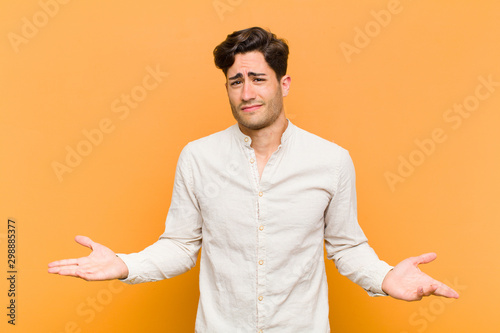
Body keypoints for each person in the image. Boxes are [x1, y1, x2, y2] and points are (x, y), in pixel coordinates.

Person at [48, 27, 459, 332]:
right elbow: (180, 246)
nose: (246, 93)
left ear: (284, 83)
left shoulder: (331, 161)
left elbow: (347, 246)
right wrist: (125, 265)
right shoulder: (198, 158)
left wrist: (386, 277)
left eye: (258, 79)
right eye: (235, 81)